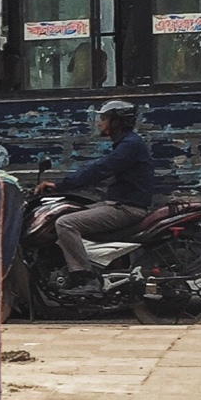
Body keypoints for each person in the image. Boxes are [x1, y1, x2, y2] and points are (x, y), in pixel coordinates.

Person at [37, 100, 155, 287]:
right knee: (67, 212)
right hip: (119, 203)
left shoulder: (130, 145)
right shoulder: (127, 143)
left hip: (127, 208)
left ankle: (84, 277)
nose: (99, 123)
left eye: (104, 118)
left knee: (65, 223)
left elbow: (99, 169)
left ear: (116, 122)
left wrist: (60, 186)